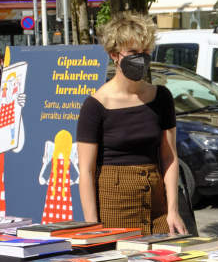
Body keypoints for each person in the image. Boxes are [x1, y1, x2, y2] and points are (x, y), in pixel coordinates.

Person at [76, 13, 188, 235]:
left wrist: (173, 211)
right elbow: (86, 171)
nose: (142, 58)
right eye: (133, 52)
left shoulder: (161, 97)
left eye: (146, 51)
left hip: (157, 205)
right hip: (115, 206)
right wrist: (92, 226)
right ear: (115, 55)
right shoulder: (96, 105)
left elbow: (169, 157)